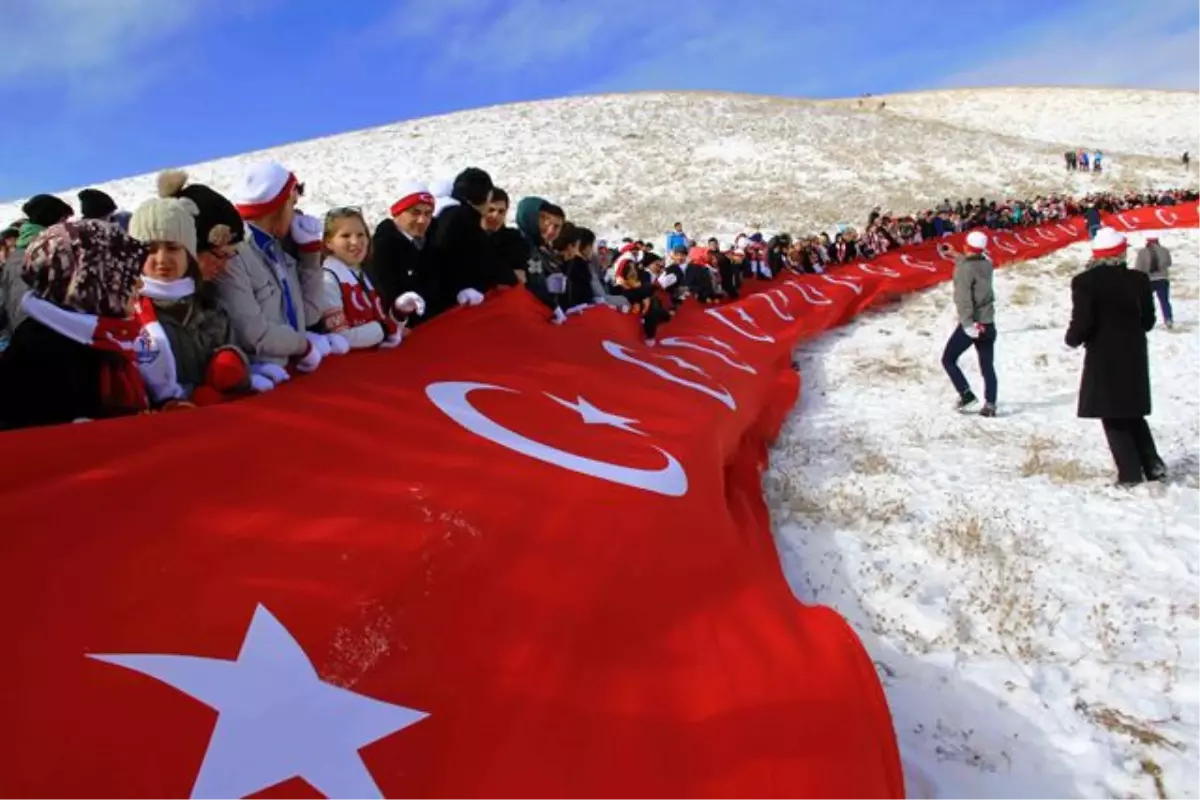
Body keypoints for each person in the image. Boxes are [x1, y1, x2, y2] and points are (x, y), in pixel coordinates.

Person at [0, 220, 150, 428]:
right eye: (125, 276)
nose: (140, 284)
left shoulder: (95, 339)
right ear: (87, 283)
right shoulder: (46, 363)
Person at [1065, 227, 1165, 487]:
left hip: (1103, 355)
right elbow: (1148, 320)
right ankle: (1153, 464)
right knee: (1132, 410)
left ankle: (1130, 474)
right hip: (1133, 352)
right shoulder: (1139, 280)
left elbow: (1083, 322)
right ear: (1122, 252)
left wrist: (1072, 340)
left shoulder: (1085, 282)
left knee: (1111, 413)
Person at [216, 161, 329, 391]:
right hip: (263, 383)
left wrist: (310, 254)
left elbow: (308, 315)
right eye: (292, 204)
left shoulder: (278, 250)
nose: (296, 213)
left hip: (293, 374)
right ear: (279, 205)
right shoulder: (235, 255)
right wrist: (303, 345)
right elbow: (254, 334)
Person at [321, 205, 419, 348]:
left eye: (361, 234)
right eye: (345, 236)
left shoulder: (364, 272)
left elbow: (381, 322)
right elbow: (340, 339)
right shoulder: (328, 280)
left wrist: (399, 313)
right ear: (329, 242)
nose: (355, 242)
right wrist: (386, 329)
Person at [942, 230, 998, 416]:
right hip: (988, 322)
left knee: (948, 359)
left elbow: (963, 299)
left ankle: (965, 394)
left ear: (966, 245)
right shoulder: (987, 264)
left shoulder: (964, 269)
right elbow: (972, 265)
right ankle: (990, 404)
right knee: (987, 366)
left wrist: (967, 324)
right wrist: (955, 255)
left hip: (972, 323)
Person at [1133, 236, 1173, 329]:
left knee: (1146, 302)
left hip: (1148, 281)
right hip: (1162, 279)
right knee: (1164, 301)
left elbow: (1138, 268)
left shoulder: (1142, 252)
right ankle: (1168, 319)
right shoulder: (1164, 250)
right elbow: (1169, 263)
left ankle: (1145, 320)